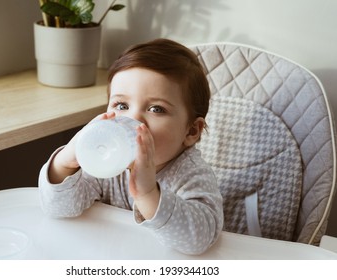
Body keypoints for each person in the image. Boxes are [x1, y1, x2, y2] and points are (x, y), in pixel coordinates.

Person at [38, 38, 223, 255]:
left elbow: (197, 241)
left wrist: (147, 194)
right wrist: (67, 160)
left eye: (156, 109)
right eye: (122, 105)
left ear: (191, 131)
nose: (133, 119)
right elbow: (59, 209)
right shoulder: (106, 166)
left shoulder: (192, 175)